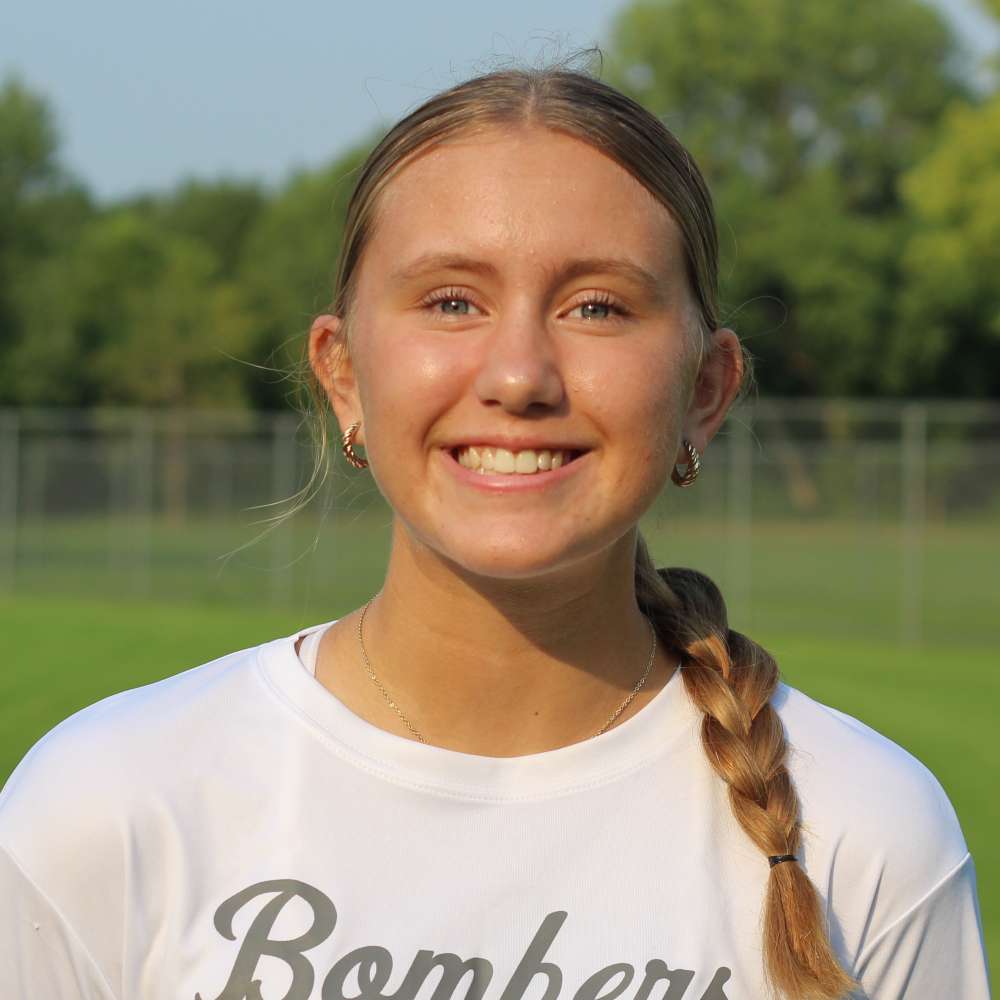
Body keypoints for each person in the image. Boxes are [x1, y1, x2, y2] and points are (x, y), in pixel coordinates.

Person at [0, 64, 990, 1000]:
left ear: (705, 389)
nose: (518, 375)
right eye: (451, 301)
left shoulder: (864, 832)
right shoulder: (108, 807)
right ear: (343, 374)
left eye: (596, 306)